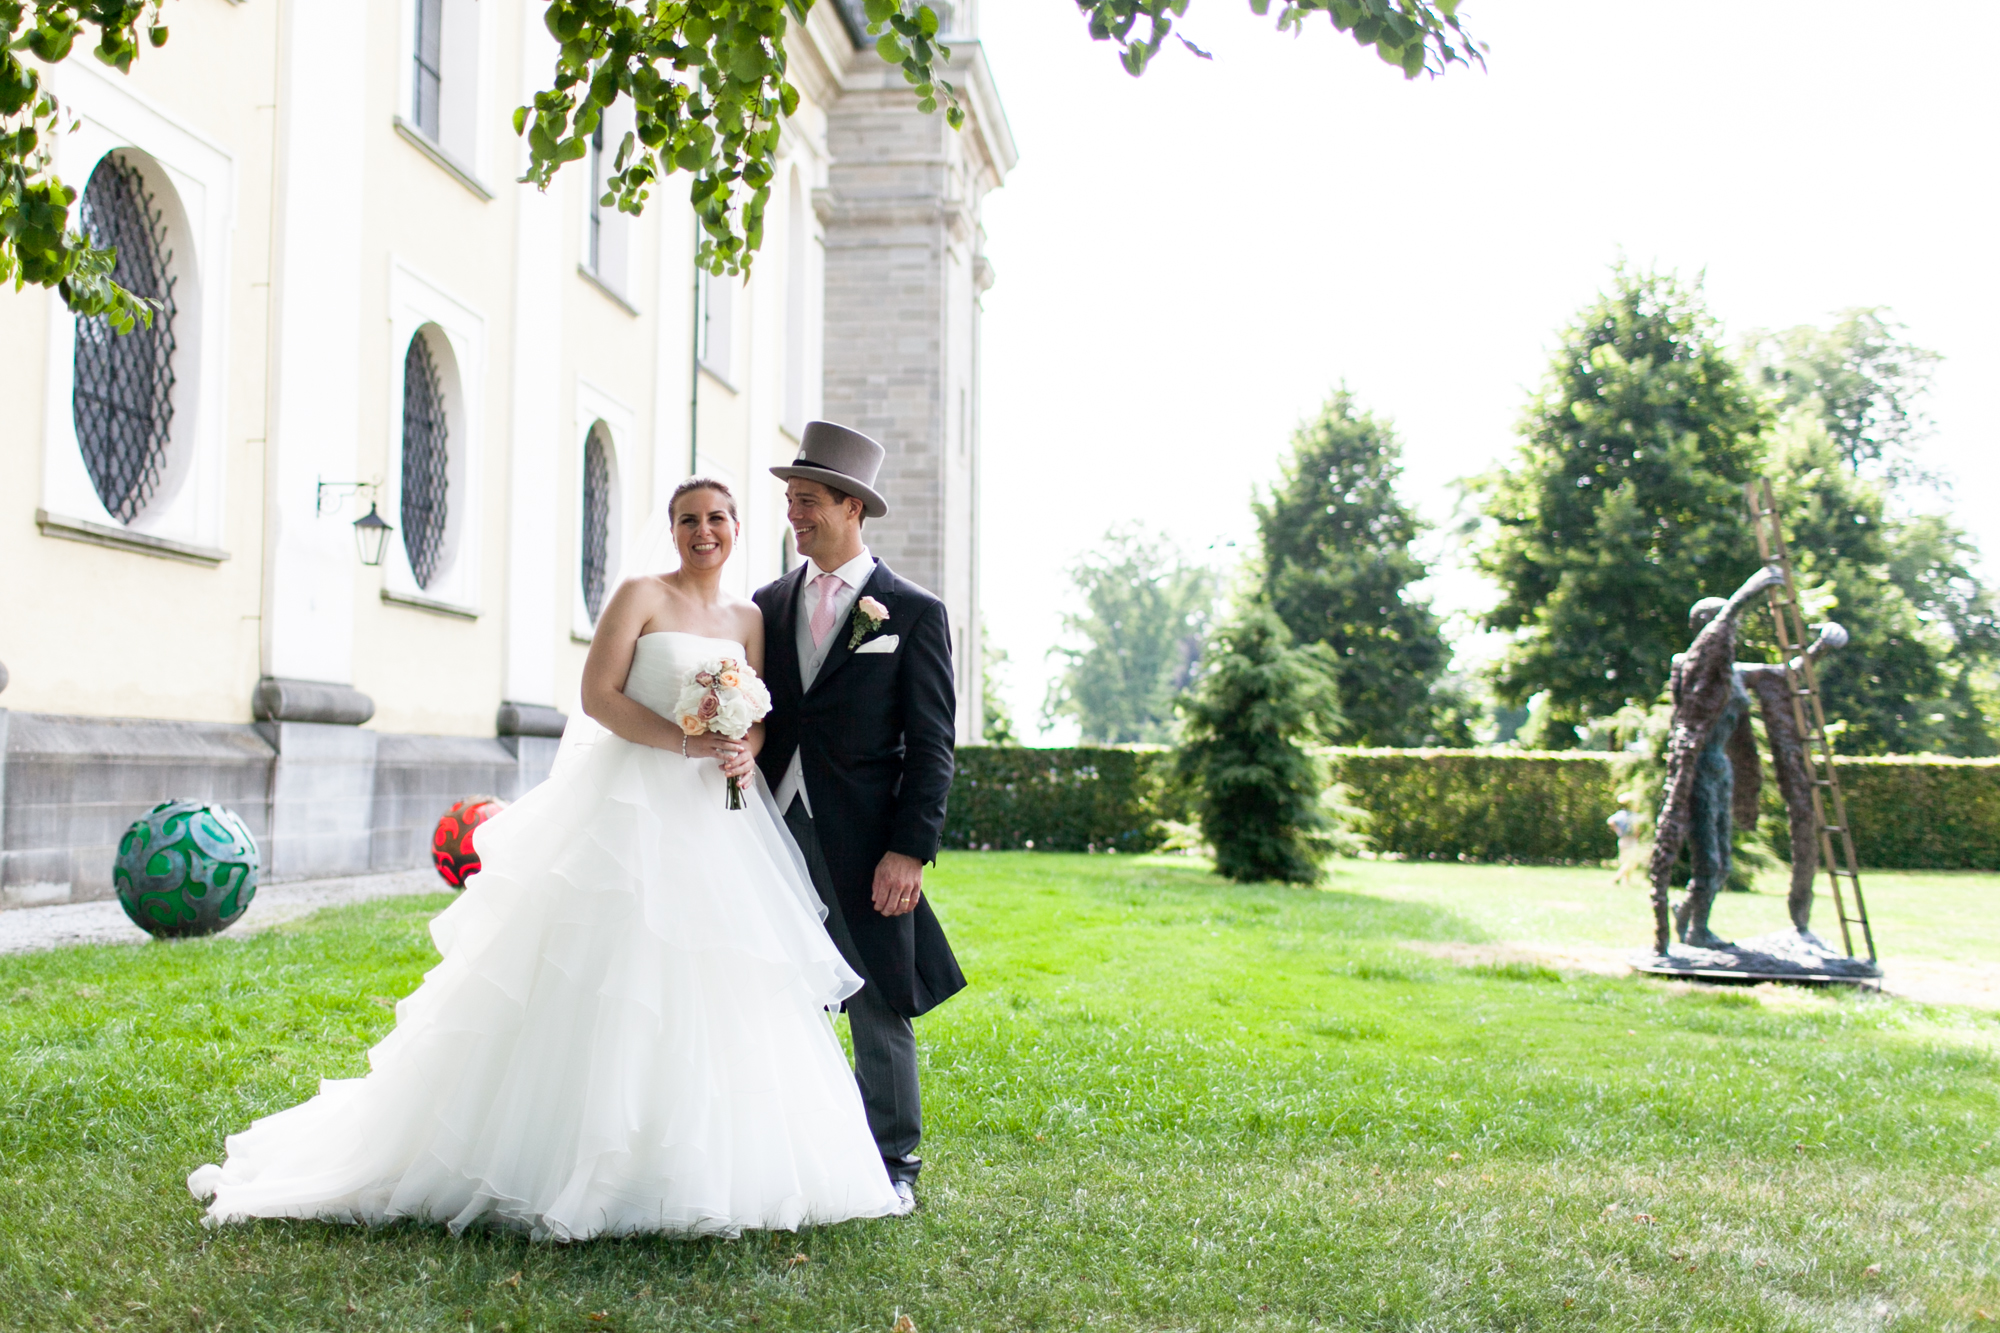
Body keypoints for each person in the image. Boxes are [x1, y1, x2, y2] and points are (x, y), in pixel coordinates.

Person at [187, 478, 901, 1239]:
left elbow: (760, 715)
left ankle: (700, 1164)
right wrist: (688, 741)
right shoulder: (640, 594)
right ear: (671, 529)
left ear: (735, 527)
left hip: (716, 815)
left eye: (718, 518)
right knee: (612, 968)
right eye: (690, 519)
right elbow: (599, 697)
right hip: (631, 804)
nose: (705, 531)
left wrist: (739, 750)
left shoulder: (750, 617)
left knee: (715, 973)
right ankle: (568, 1157)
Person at [752, 422, 964, 1218]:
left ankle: (893, 1158)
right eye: (789, 503)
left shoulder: (912, 612)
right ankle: (797, 1145)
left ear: (850, 505)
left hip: (870, 841)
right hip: (769, 829)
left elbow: (932, 743)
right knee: (779, 991)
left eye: (806, 502)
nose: (795, 516)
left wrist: (909, 850)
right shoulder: (768, 603)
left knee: (878, 998)